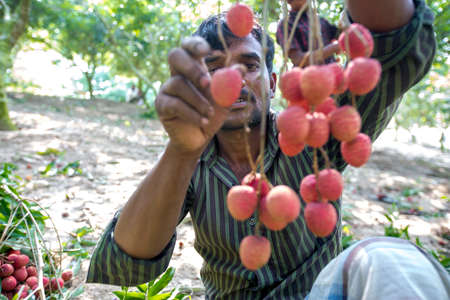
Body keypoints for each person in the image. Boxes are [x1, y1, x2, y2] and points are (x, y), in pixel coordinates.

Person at [86, 0, 445, 299]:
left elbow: (394, 44)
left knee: (386, 257)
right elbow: (125, 264)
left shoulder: (313, 129)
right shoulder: (190, 162)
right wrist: (180, 151)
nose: (236, 79)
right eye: (214, 67)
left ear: (274, 82)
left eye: (250, 64)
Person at [276, 0, 339, 66]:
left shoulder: (321, 21)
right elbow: (298, 59)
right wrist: (334, 48)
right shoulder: (286, 24)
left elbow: (344, 36)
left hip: (333, 73)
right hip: (308, 75)